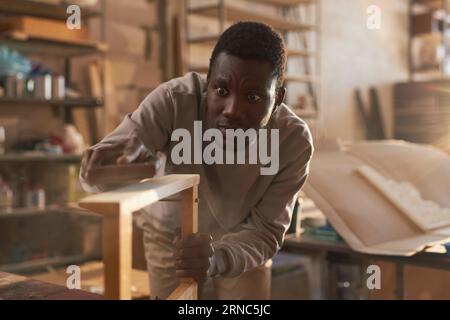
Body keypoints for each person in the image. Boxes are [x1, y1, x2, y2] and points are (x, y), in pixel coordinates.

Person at [80, 21, 313, 300]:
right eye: (222, 90)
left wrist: (219, 259)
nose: (232, 110)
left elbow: (265, 232)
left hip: (243, 242)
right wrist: (105, 172)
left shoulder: (292, 141)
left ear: (277, 100)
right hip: (170, 238)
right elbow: (102, 173)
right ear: (207, 84)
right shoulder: (173, 101)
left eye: (252, 96)